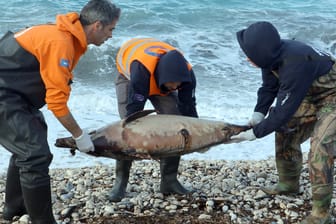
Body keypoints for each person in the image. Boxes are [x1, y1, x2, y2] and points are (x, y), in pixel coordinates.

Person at [0, 1, 120, 223]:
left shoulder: (67, 36)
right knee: (34, 154)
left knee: (29, 144)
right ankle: (42, 220)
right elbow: (56, 103)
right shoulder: (60, 41)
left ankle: (14, 209)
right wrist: (79, 136)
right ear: (97, 25)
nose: (111, 36)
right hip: (5, 94)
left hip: (17, 95)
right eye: (111, 29)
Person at [231, 21, 336, 224]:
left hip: (333, 96)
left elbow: (284, 110)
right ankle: (288, 183)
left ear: (261, 53)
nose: (247, 57)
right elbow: (269, 87)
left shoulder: (295, 63)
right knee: (286, 129)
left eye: (250, 53)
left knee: (320, 148)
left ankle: (321, 214)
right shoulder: (270, 56)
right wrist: (258, 114)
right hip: (310, 95)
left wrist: (255, 133)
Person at [110, 38, 198, 202]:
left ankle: (169, 181)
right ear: (162, 78)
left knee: (176, 125)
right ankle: (120, 182)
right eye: (172, 84)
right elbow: (134, 110)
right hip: (130, 77)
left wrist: (197, 135)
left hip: (159, 77)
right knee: (129, 129)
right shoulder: (142, 70)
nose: (175, 88)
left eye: (178, 86)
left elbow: (189, 108)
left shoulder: (186, 77)